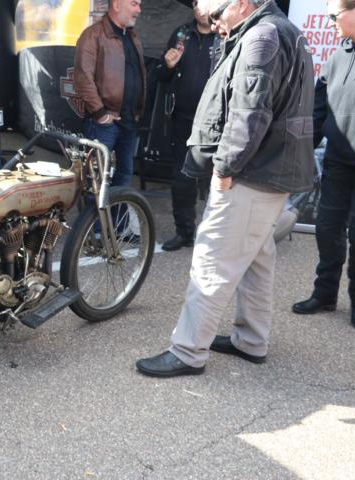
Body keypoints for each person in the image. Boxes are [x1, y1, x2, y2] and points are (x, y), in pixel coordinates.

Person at [135, 0, 315, 377]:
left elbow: (251, 113)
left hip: (252, 173)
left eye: (217, 14)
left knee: (212, 260)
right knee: (257, 259)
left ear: (242, 3)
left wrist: (225, 168)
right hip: (271, 170)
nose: (213, 22)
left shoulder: (261, 37)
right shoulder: (279, 31)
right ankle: (251, 340)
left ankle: (187, 351)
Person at [292, 0, 355, 331]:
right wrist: (301, 152)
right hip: (337, 159)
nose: (330, 22)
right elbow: (319, 109)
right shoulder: (337, 56)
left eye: (334, 15)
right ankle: (324, 294)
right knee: (326, 228)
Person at [156, 1, 217, 251]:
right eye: (196, 3)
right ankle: (184, 232)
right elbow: (161, 76)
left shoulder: (225, 36)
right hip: (182, 119)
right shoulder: (182, 34)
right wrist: (167, 65)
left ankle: (216, 238)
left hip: (215, 123)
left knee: (217, 182)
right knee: (181, 180)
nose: (200, 8)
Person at [74, 0, 145, 188]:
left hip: (128, 120)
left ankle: (118, 210)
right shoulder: (93, 35)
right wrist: (100, 113)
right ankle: (95, 211)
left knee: (124, 176)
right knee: (95, 181)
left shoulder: (133, 37)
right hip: (103, 124)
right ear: (117, 4)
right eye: (134, 4)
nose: (139, 10)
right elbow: (82, 78)